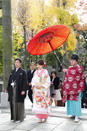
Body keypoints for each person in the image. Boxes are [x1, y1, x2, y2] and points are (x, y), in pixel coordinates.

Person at [62, 54, 84, 122]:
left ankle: (77, 115)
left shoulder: (79, 68)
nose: (71, 61)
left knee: (76, 102)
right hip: (70, 88)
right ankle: (73, 114)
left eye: (73, 60)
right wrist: (67, 70)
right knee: (71, 102)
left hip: (77, 88)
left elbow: (75, 73)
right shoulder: (70, 68)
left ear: (77, 61)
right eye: (71, 60)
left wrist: (67, 71)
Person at [6, 58, 27, 123]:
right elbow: (9, 80)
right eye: (15, 62)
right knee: (13, 103)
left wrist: (23, 90)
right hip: (12, 90)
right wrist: (7, 88)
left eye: (17, 62)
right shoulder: (12, 72)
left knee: (19, 104)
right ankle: (13, 117)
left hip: (19, 90)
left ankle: (19, 118)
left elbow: (24, 82)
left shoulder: (23, 72)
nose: (16, 63)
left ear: (20, 63)